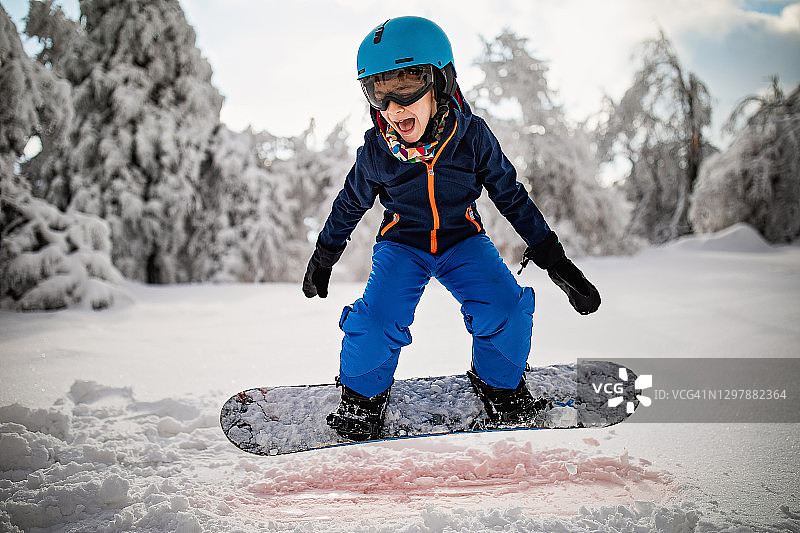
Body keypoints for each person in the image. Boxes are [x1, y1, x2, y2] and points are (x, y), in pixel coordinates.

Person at [302, 16, 600, 441]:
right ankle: (362, 400)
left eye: (407, 84)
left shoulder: (472, 137)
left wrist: (555, 259)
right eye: (378, 90)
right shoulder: (376, 151)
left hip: (463, 239)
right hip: (402, 244)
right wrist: (324, 256)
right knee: (378, 318)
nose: (393, 107)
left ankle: (499, 388)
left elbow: (510, 195)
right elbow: (350, 203)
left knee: (507, 308)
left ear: (440, 82)